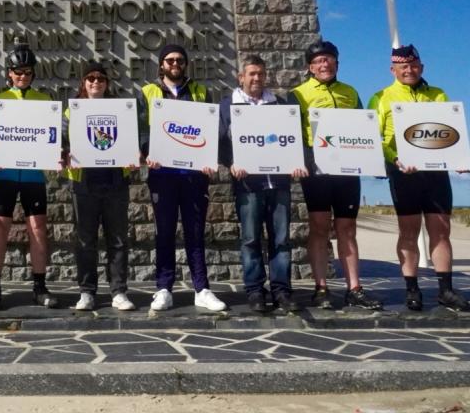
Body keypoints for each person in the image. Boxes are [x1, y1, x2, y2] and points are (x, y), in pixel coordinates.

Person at [368, 44, 470, 312]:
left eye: (413, 66)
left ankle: (445, 290)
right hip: (403, 172)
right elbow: (374, 138)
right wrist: (395, 159)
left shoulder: (438, 94)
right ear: (393, 70)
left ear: (421, 67)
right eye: (403, 67)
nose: (409, 70)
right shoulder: (381, 97)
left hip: (435, 173)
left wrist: (461, 159)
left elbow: (451, 132)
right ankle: (412, 290)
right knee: (409, 231)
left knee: (441, 230)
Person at [288, 40, 382, 310]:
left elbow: (363, 129)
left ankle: (355, 288)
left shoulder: (350, 92)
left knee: (347, 228)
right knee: (319, 227)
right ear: (310, 67)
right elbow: (293, 133)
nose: (324, 64)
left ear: (336, 63)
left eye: (328, 59)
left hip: (348, 171)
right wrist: (303, 161)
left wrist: (372, 160)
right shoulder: (298, 94)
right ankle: (321, 288)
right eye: (318, 61)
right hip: (317, 171)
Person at [217, 55, 307, 313]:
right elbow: (219, 141)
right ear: (241, 77)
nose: (257, 78)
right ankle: (255, 291)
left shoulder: (279, 105)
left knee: (281, 241)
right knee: (250, 240)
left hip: (278, 184)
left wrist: (296, 162)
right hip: (248, 185)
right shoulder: (227, 106)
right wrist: (231, 163)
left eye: (261, 74)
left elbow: (292, 139)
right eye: (252, 74)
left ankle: (281, 292)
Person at [143, 44, 227, 312]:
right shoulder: (147, 92)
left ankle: (201, 289)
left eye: (179, 60)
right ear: (161, 64)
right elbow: (142, 129)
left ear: (186, 64)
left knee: (195, 233)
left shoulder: (201, 92)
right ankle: (163, 288)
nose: (175, 64)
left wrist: (210, 158)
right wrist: (147, 152)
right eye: (169, 60)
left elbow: (212, 130)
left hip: (194, 176)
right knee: (164, 233)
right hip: (162, 175)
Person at [0, 44, 59, 311]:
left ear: (33, 74)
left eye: (27, 72)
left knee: (38, 227)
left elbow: (52, 134)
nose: (23, 76)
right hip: (5, 173)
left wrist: (55, 151)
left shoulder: (44, 100)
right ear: (10, 74)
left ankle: (40, 287)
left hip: (34, 175)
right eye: (18, 72)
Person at [63, 61, 135, 312]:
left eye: (101, 78)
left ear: (107, 83)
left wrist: (134, 154)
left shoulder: (121, 109)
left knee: (118, 240)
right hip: (84, 183)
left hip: (115, 181)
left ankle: (119, 291)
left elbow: (131, 138)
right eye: (91, 78)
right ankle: (87, 292)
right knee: (85, 240)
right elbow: (62, 139)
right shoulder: (72, 110)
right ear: (83, 82)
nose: (96, 82)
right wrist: (63, 153)